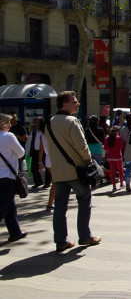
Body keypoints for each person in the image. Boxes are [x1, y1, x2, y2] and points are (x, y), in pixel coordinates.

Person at [45, 91, 101, 252]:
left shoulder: (49, 122)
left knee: (60, 206)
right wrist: (90, 162)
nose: (77, 104)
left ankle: (61, 240)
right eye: (74, 102)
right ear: (65, 104)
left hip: (58, 172)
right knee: (84, 200)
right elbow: (82, 147)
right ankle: (85, 236)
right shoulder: (72, 121)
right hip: (76, 170)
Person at [0, 113, 28, 243]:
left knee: (10, 205)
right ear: (3, 124)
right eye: (8, 123)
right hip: (7, 176)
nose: (10, 125)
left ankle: (15, 232)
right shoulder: (8, 136)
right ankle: (15, 232)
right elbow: (21, 152)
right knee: (3, 206)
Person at [35, 119, 55, 209]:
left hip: (48, 160)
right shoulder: (54, 133)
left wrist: (40, 162)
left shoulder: (42, 135)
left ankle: (50, 203)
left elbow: (41, 150)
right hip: (55, 160)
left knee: (56, 182)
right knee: (56, 183)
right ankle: (50, 203)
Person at [27, 117, 48, 188]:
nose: (36, 124)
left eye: (38, 122)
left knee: (47, 167)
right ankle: (38, 182)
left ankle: (47, 182)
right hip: (35, 151)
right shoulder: (34, 131)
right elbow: (33, 141)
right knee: (33, 168)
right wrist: (31, 150)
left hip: (44, 152)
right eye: (35, 122)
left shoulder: (45, 131)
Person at [103, 126, 125, 192]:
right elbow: (121, 147)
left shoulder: (107, 138)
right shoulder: (118, 138)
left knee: (112, 171)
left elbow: (105, 148)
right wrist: (123, 143)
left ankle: (114, 186)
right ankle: (121, 183)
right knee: (120, 170)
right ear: (118, 132)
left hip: (110, 157)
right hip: (118, 156)